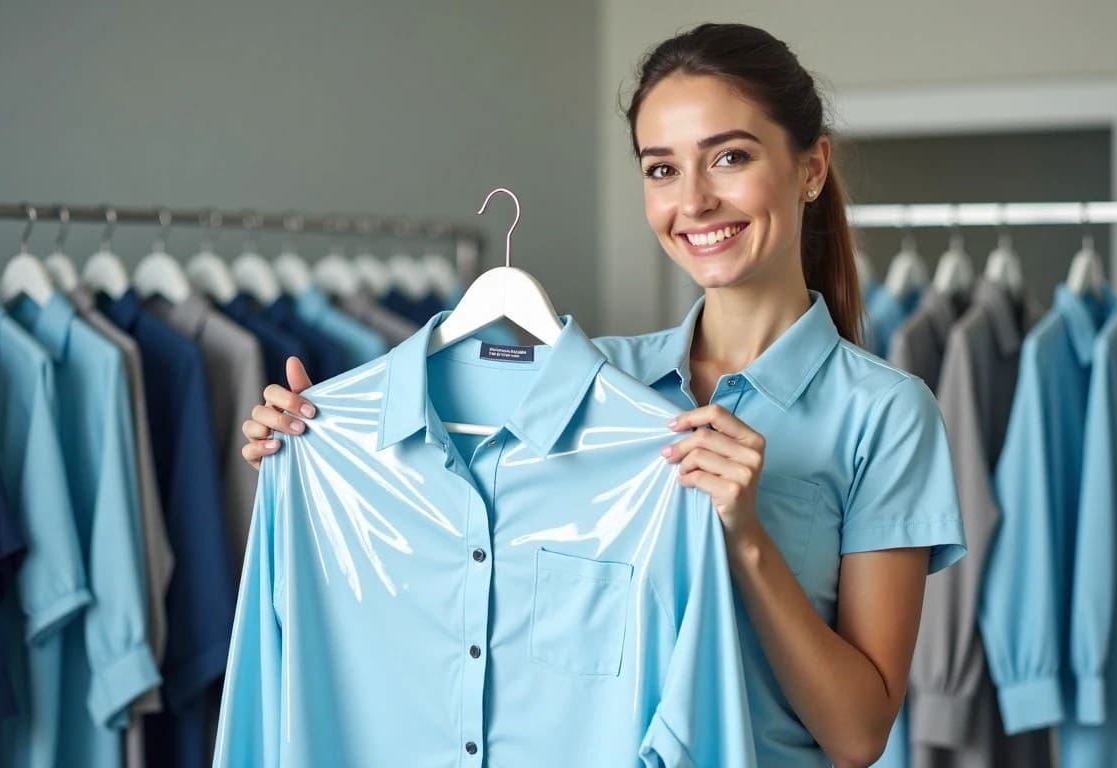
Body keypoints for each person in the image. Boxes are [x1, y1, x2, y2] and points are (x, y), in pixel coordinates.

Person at [239, 23, 964, 768]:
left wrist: (746, 537)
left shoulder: (886, 415)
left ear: (811, 168)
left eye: (730, 157)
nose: (696, 201)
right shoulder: (592, 386)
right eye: (662, 170)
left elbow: (859, 735)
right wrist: (318, 451)